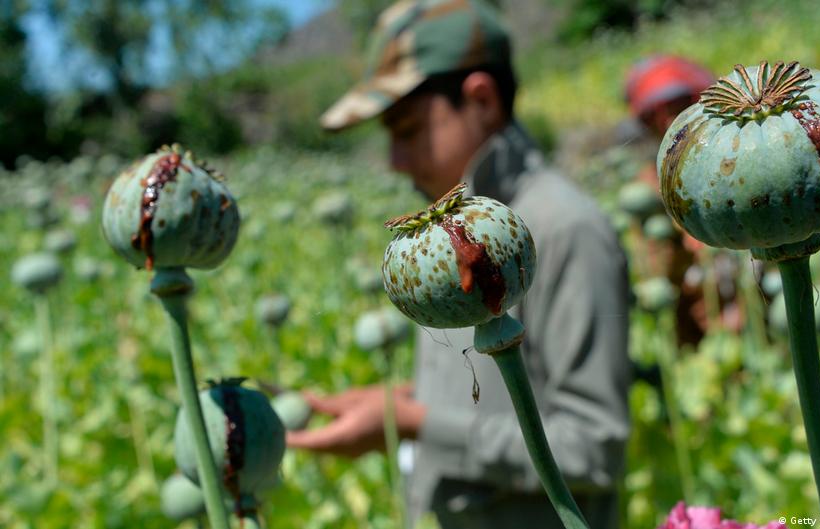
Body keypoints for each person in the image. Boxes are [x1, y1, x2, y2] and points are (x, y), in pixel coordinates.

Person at [286, 2, 632, 528]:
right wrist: (389, 404)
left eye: (406, 130)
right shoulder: (451, 238)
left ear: (482, 100)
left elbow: (593, 449)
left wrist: (417, 425)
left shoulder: (564, 229)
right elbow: (492, 390)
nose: (395, 160)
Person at [623, 55, 743, 346]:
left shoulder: (736, 165)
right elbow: (655, 275)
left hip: (746, 304)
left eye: (677, 109)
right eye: (657, 116)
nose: (668, 122)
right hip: (696, 326)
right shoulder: (648, 188)